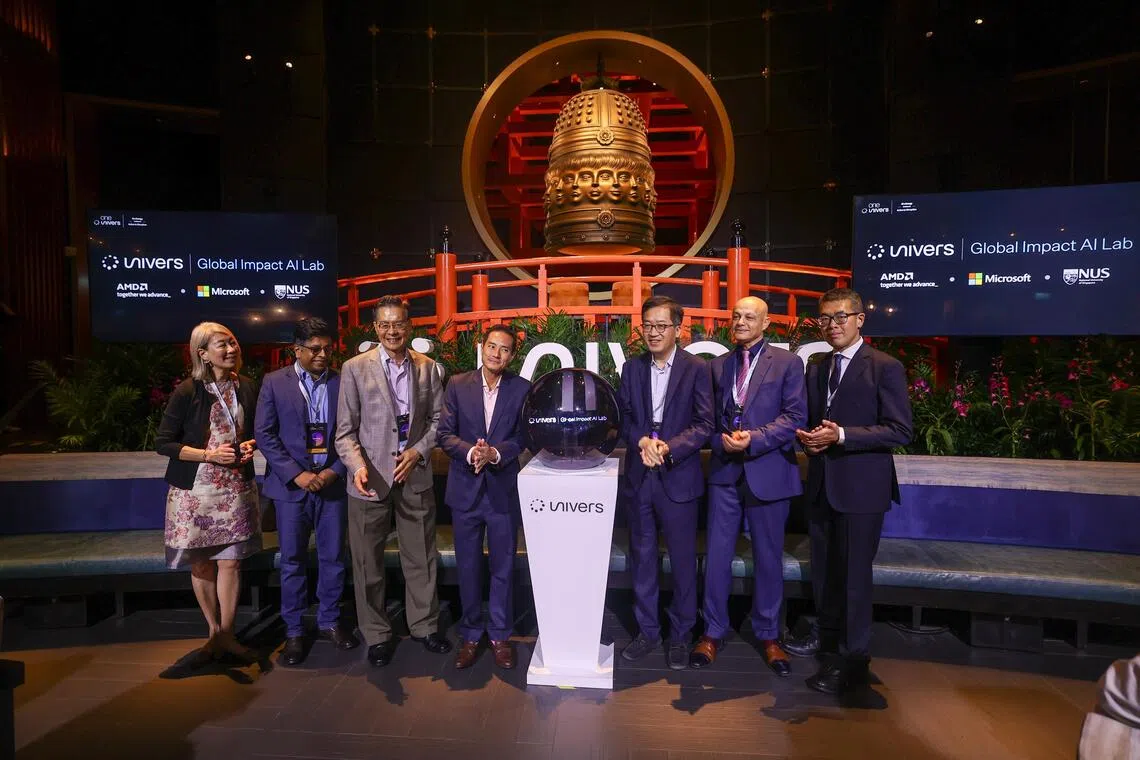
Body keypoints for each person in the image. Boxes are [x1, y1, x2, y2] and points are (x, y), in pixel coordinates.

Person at [786, 287, 913, 695]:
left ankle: (853, 661)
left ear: (860, 319)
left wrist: (841, 435)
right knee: (825, 574)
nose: (832, 325)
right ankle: (826, 641)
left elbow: (899, 430)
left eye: (841, 317)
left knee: (855, 579)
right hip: (823, 484)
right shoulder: (817, 366)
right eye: (825, 318)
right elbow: (812, 422)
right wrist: (807, 439)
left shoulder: (885, 366)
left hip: (862, 490)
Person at [691, 297, 807, 675]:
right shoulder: (716, 366)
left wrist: (753, 439)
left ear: (766, 323)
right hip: (725, 473)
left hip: (768, 472)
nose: (740, 321)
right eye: (736, 316)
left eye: (749, 316)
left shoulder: (788, 363)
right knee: (717, 558)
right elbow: (705, 421)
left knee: (769, 559)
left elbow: (794, 418)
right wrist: (717, 440)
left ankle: (770, 636)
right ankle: (711, 632)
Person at [335, 295, 450, 667]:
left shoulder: (429, 368)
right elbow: (344, 432)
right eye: (384, 325)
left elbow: (438, 422)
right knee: (367, 562)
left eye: (398, 324)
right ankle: (377, 634)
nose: (391, 331)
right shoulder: (354, 368)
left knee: (421, 557)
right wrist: (357, 467)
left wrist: (418, 451)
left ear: (410, 325)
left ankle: (425, 627)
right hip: (368, 480)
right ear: (375, 328)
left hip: (413, 473)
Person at [255, 317, 359, 666]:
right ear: (296, 350)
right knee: (293, 562)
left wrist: (335, 470)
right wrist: (296, 474)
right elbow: (265, 434)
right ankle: (295, 630)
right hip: (291, 489)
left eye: (328, 348)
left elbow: (354, 433)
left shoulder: (342, 381)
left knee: (333, 559)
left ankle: (330, 622)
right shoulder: (273, 383)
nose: (323, 354)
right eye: (315, 349)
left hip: (332, 484)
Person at [617, 296, 713, 669]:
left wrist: (668, 448)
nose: (653, 333)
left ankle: (681, 634)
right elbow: (623, 419)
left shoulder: (696, 369)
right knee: (642, 558)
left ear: (678, 328)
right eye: (648, 326)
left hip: (678, 476)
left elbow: (705, 425)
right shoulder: (632, 368)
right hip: (641, 475)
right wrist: (642, 441)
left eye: (661, 326)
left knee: (683, 560)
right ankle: (647, 631)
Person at [156, 322, 260, 662]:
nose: (231, 350)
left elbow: (256, 431)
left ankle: (227, 634)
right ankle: (213, 631)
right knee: (201, 565)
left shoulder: (246, 387)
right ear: (203, 353)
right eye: (222, 345)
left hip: (235, 488)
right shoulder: (188, 391)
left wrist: (250, 445)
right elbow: (164, 443)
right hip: (194, 491)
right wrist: (209, 455)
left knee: (231, 564)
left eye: (233, 343)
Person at [437, 325, 530, 670]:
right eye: (492, 346)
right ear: (482, 347)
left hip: (502, 492)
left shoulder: (521, 389)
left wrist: (495, 453)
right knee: (469, 566)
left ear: (511, 356)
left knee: (503, 567)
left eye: (505, 350)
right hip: (465, 490)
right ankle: (472, 633)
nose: (497, 354)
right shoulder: (459, 385)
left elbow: (524, 437)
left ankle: (500, 635)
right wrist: (470, 453)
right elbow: (444, 434)